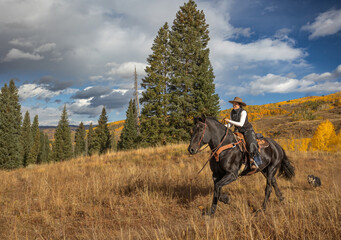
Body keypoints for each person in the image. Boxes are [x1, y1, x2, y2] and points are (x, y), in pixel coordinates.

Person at [224, 97, 263, 169]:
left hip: (247, 130)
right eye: (233, 104)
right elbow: (231, 125)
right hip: (237, 131)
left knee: (251, 143)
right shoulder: (232, 112)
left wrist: (229, 121)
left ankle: (254, 161)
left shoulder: (243, 112)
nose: (234, 105)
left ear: (239, 105)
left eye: (235, 104)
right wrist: (223, 126)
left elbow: (241, 124)